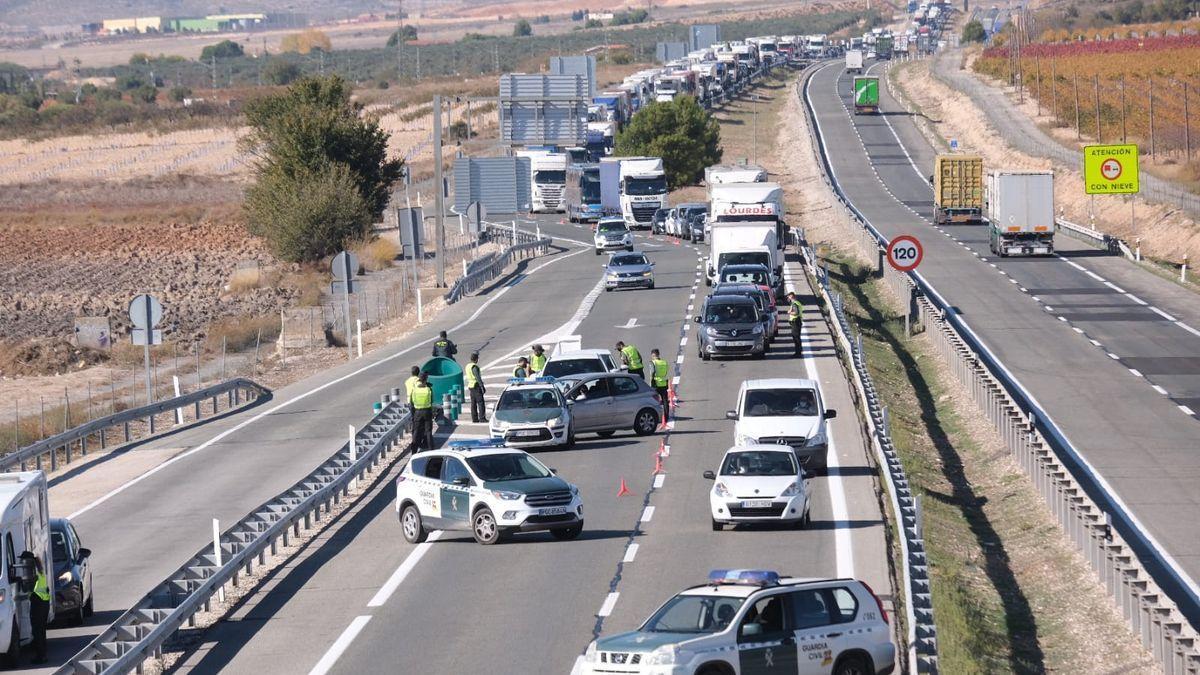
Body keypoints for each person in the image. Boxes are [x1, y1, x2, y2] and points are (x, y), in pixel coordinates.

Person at [20, 551, 48, 664]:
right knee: (41, 631)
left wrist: (20, 582)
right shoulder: (38, 569)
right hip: (44, 603)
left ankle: (40, 657)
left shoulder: (32, 572)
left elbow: (27, 588)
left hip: (38, 603)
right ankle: (43, 655)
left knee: (37, 631)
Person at [410, 372, 435, 452]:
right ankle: (431, 450)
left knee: (416, 432)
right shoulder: (428, 389)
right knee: (428, 431)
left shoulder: (414, 390)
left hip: (417, 412)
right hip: (427, 411)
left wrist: (413, 414)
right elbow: (431, 401)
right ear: (426, 379)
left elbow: (411, 403)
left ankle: (414, 451)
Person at [649, 349, 670, 422]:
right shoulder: (664, 362)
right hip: (664, 383)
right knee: (665, 401)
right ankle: (666, 417)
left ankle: (656, 417)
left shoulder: (653, 363)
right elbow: (666, 371)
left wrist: (651, 384)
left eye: (652, 356)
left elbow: (652, 373)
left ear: (653, 355)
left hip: (655, 384)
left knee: (654, 401)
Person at [466, 352, 487, 423]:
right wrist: (482, 386)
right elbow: (478, 377)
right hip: (476, 385)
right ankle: (482, 418)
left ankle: (474, 418)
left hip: (470, 386)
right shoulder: (474, 367)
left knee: (473, 403)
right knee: (480, 402)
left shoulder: (468, 366)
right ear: (476, 359)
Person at [786, 291, 804, 356]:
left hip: (796, 322)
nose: (788, 298)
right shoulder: (797, 302)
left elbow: (796, 313)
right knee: (797, 337)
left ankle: (798, 353)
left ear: (791, 296)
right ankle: (798, 351)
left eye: (788, 296)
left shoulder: (794, 304)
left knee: (796, 337)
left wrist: (789, 312)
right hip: (798, 321)